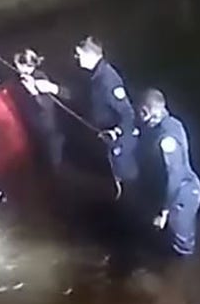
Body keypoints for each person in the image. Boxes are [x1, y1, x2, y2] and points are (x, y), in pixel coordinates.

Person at [38, 37, 139, 192]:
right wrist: (52, 88)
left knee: (125, 186)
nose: (76, 57)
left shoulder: (108, 80)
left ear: (91, 55)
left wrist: (115, 132)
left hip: (116, 147)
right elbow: (78, 95)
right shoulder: (90, 76)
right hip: (98, 140)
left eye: (79, 54)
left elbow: (128, 114)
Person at [136, 88, 200, 255]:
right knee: (167, 245)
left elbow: (173, 176)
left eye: (140, 113)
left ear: (146, 111)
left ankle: (186, 277)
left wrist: (164, 211)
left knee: (182, 249)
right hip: (176, 194)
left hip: (181, 196)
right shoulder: (171, 123)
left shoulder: (167, 138)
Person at [14, 48, 67, 175]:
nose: (15, 67)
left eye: (17, 65)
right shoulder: (23, 78)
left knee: (53, 166)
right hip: (36, 129)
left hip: (48, 129)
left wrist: (34, 93)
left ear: (25, 66)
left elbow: (46, 106)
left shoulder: (40, 78)